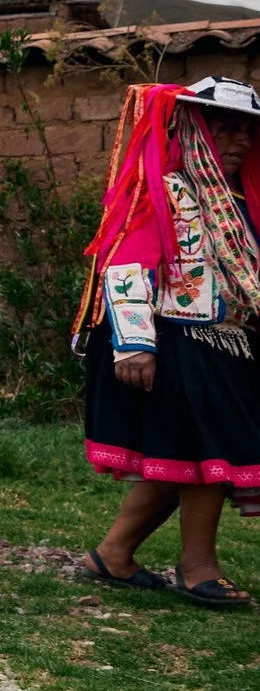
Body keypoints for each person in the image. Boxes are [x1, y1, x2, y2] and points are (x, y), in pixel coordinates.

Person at [77, 76, 260, 609]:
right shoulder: (163, 188)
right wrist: (135, 343)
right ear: (194, 129)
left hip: (225, 344)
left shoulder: (239, 199)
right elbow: (125, 264)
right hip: (172, 338)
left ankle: (113, 554)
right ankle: (198, 566)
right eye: (226, 130)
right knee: (208, 453)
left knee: (181, 458)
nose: (239, 143)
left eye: (247, 133)